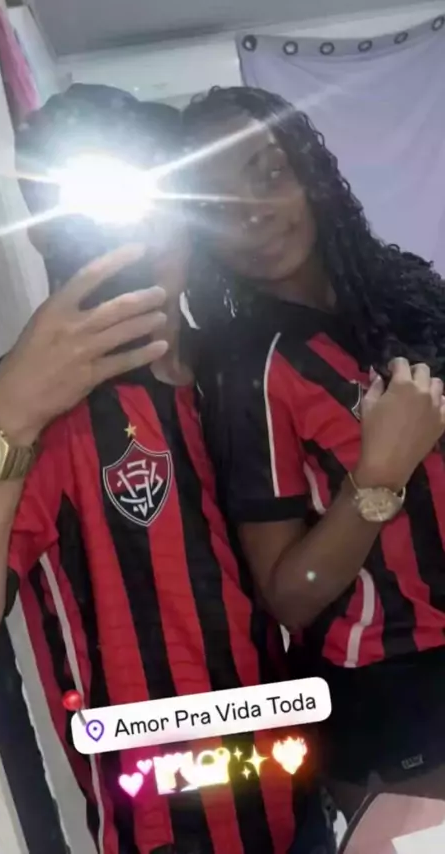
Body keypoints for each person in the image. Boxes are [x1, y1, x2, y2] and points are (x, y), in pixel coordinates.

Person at [0, 85, 334, 854]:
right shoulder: (44, 405)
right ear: (45, 231)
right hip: (166, 834)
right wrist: (5, 417)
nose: (132, 233)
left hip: (313, 800)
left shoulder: (245, 371)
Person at [182, 86, 445, 820]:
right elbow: (288, 593)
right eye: (216, 203)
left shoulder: (410, 294)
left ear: (312, 174)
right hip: (395, 698)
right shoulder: (249, 371)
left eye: (269, 174)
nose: (253, 213)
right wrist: (379, 476)